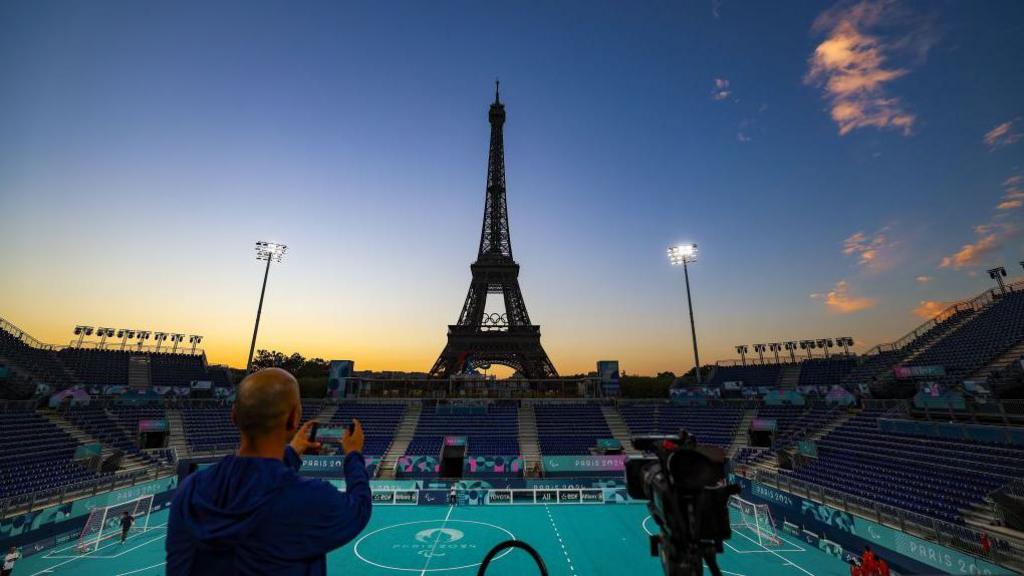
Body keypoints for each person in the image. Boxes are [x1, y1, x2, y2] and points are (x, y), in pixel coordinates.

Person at [166, 368, 372, 575]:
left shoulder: (190, 490)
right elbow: (359, 507)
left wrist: (291, 453)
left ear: (234, 415)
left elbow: (256, 482)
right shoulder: (310, 498)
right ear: (293, 419)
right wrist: (353, 454)